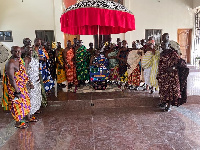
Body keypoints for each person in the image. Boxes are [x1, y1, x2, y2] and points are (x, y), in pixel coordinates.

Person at [5, 46, 31, 128]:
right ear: (12, 52)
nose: (19, 53)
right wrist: (17, 91)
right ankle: (18, 122)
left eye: (19, 51)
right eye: (16, 52)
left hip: (22, 86)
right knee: (17, 104)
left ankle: (28, 118)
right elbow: (11, 79)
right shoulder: (10, 63)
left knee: (26, 102)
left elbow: (24, 73)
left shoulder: (20, 60)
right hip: (15, 88)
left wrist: (28, 82)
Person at [157, 33, 181, 111]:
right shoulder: (162, 54)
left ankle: (169, 105)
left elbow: (180, 64)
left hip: (171, 76)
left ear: (168, 45)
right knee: (163, 90)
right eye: (162, 45)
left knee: (170, 91)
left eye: (164, 45)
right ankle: (164, 102)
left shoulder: (173, 53)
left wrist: (172, 68)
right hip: (163, 76)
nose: (162, 46)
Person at [25, 46, 42, 120]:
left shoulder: (33, 58)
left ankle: (34, 111)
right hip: (31, 81)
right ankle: (29, 116)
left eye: (31, 50)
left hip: (36, 80)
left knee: (36, 96)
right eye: (29, 50)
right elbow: (24, 72)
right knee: (31, 98)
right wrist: (29, 82)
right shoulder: (26, 59)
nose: (31, 51)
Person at [33, 38, 47, 107]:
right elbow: (36, 58)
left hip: (41, 68)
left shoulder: (39, 48)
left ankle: (41, 102)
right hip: (37, 70)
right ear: (35, 42)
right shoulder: (34, 49)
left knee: (42, 85)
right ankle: (41, 102)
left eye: (40, 42)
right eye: (38, 42)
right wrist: (43, 59)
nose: (40, 43)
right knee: (40, 86)